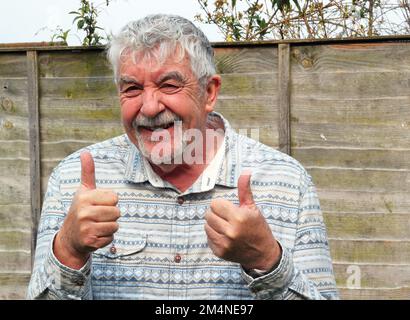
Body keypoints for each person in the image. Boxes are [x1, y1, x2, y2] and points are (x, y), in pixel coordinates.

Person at [27, 14, 338, 300]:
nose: (149, 107)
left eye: (169, 85)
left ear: (210, 92)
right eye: (132, 88)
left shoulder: (286, 183)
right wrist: (67, 250)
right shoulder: (73, 182)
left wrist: (268, 261)